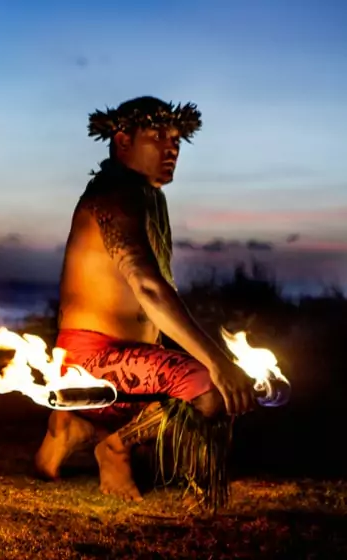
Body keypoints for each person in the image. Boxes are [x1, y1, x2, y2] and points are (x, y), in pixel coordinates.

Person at [34, 96, 257, 508]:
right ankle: (112, 445)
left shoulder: (148, 197)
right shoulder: (115, 194)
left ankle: (77, 429)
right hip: (93, 359)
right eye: (156, 136)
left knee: (222, 377)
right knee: (212, 388)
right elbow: (149, 288)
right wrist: (217, 364)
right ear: (122, 140)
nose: (170, 147)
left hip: (135, 359)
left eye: (175, 139)